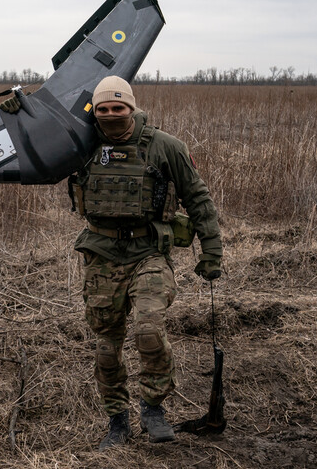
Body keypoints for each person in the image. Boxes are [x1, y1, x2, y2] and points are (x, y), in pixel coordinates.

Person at [68, 76, 223, 450]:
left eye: (118, 108)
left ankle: (153, 407)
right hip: (102, 257)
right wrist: (18, 119)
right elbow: (32, 159)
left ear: (132, 107)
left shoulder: (165, 147)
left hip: (149, 253)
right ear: (94, 112)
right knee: (107, 348)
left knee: (149, 329)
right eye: (102, 109)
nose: (110, 115)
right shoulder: (80, 145)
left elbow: (197, 197)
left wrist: (212, 250)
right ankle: (117, 421)